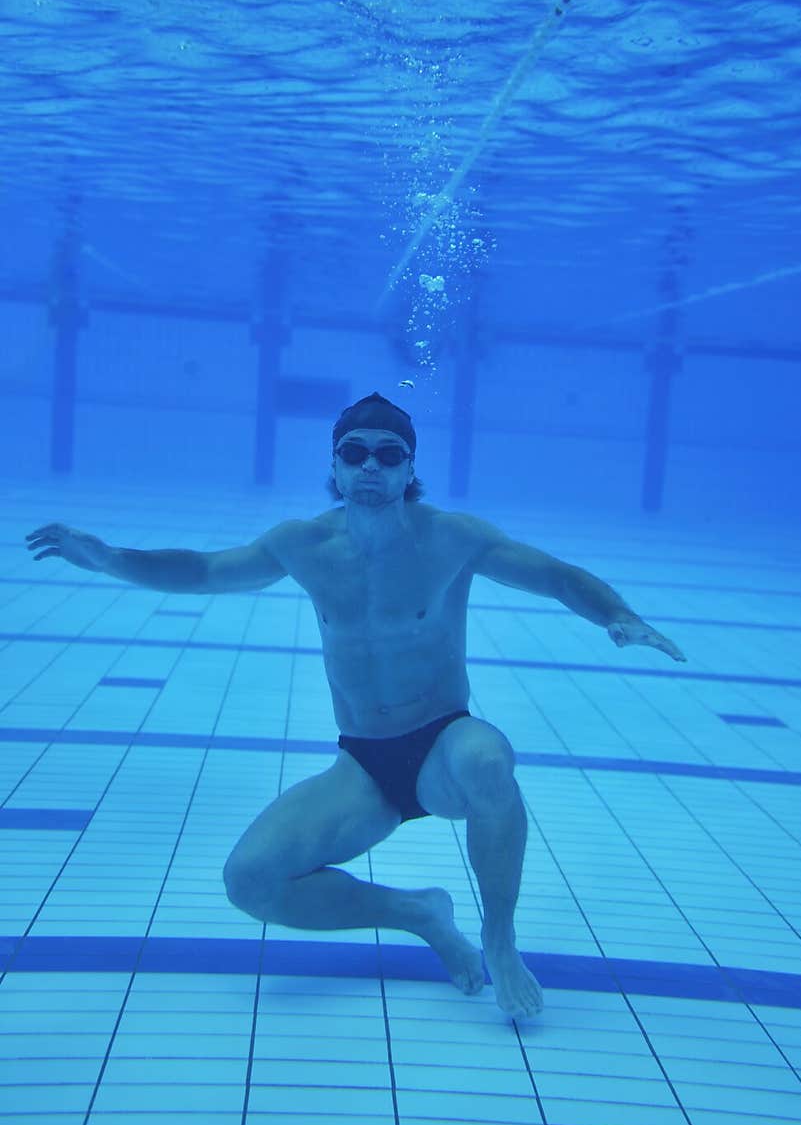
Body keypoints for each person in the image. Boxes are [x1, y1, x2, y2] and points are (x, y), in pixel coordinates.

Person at [25, 392, 685, 1019]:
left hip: (443, 742)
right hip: (366, 766)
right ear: (335, 466)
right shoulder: (302, 546)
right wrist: (112, 559)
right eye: (355, 451)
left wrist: (617, 616)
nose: (371, 464)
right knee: (251, 882)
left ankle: (500, 938)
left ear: (410, 469)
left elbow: (556, 575)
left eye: (389, 453)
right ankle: (419, 914)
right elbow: (201, 570)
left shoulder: (451, 538)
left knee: (488, 760)